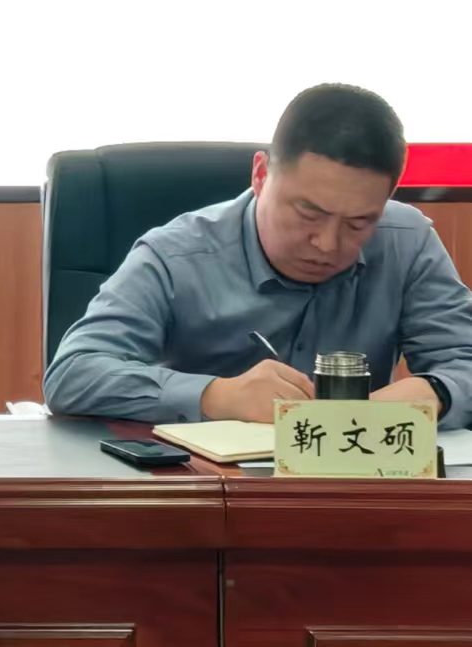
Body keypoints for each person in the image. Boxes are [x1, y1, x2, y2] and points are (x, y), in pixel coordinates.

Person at [44, 83, 472, 429]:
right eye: (309, 213)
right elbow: (73, 374)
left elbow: (463, 361)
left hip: (354, 481)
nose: (327, 243)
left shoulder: (407, 241)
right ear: (261, 174)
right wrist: (216, 395)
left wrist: (435, 393)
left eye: (359, 222)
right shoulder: (175, 254)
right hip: (206, 490)